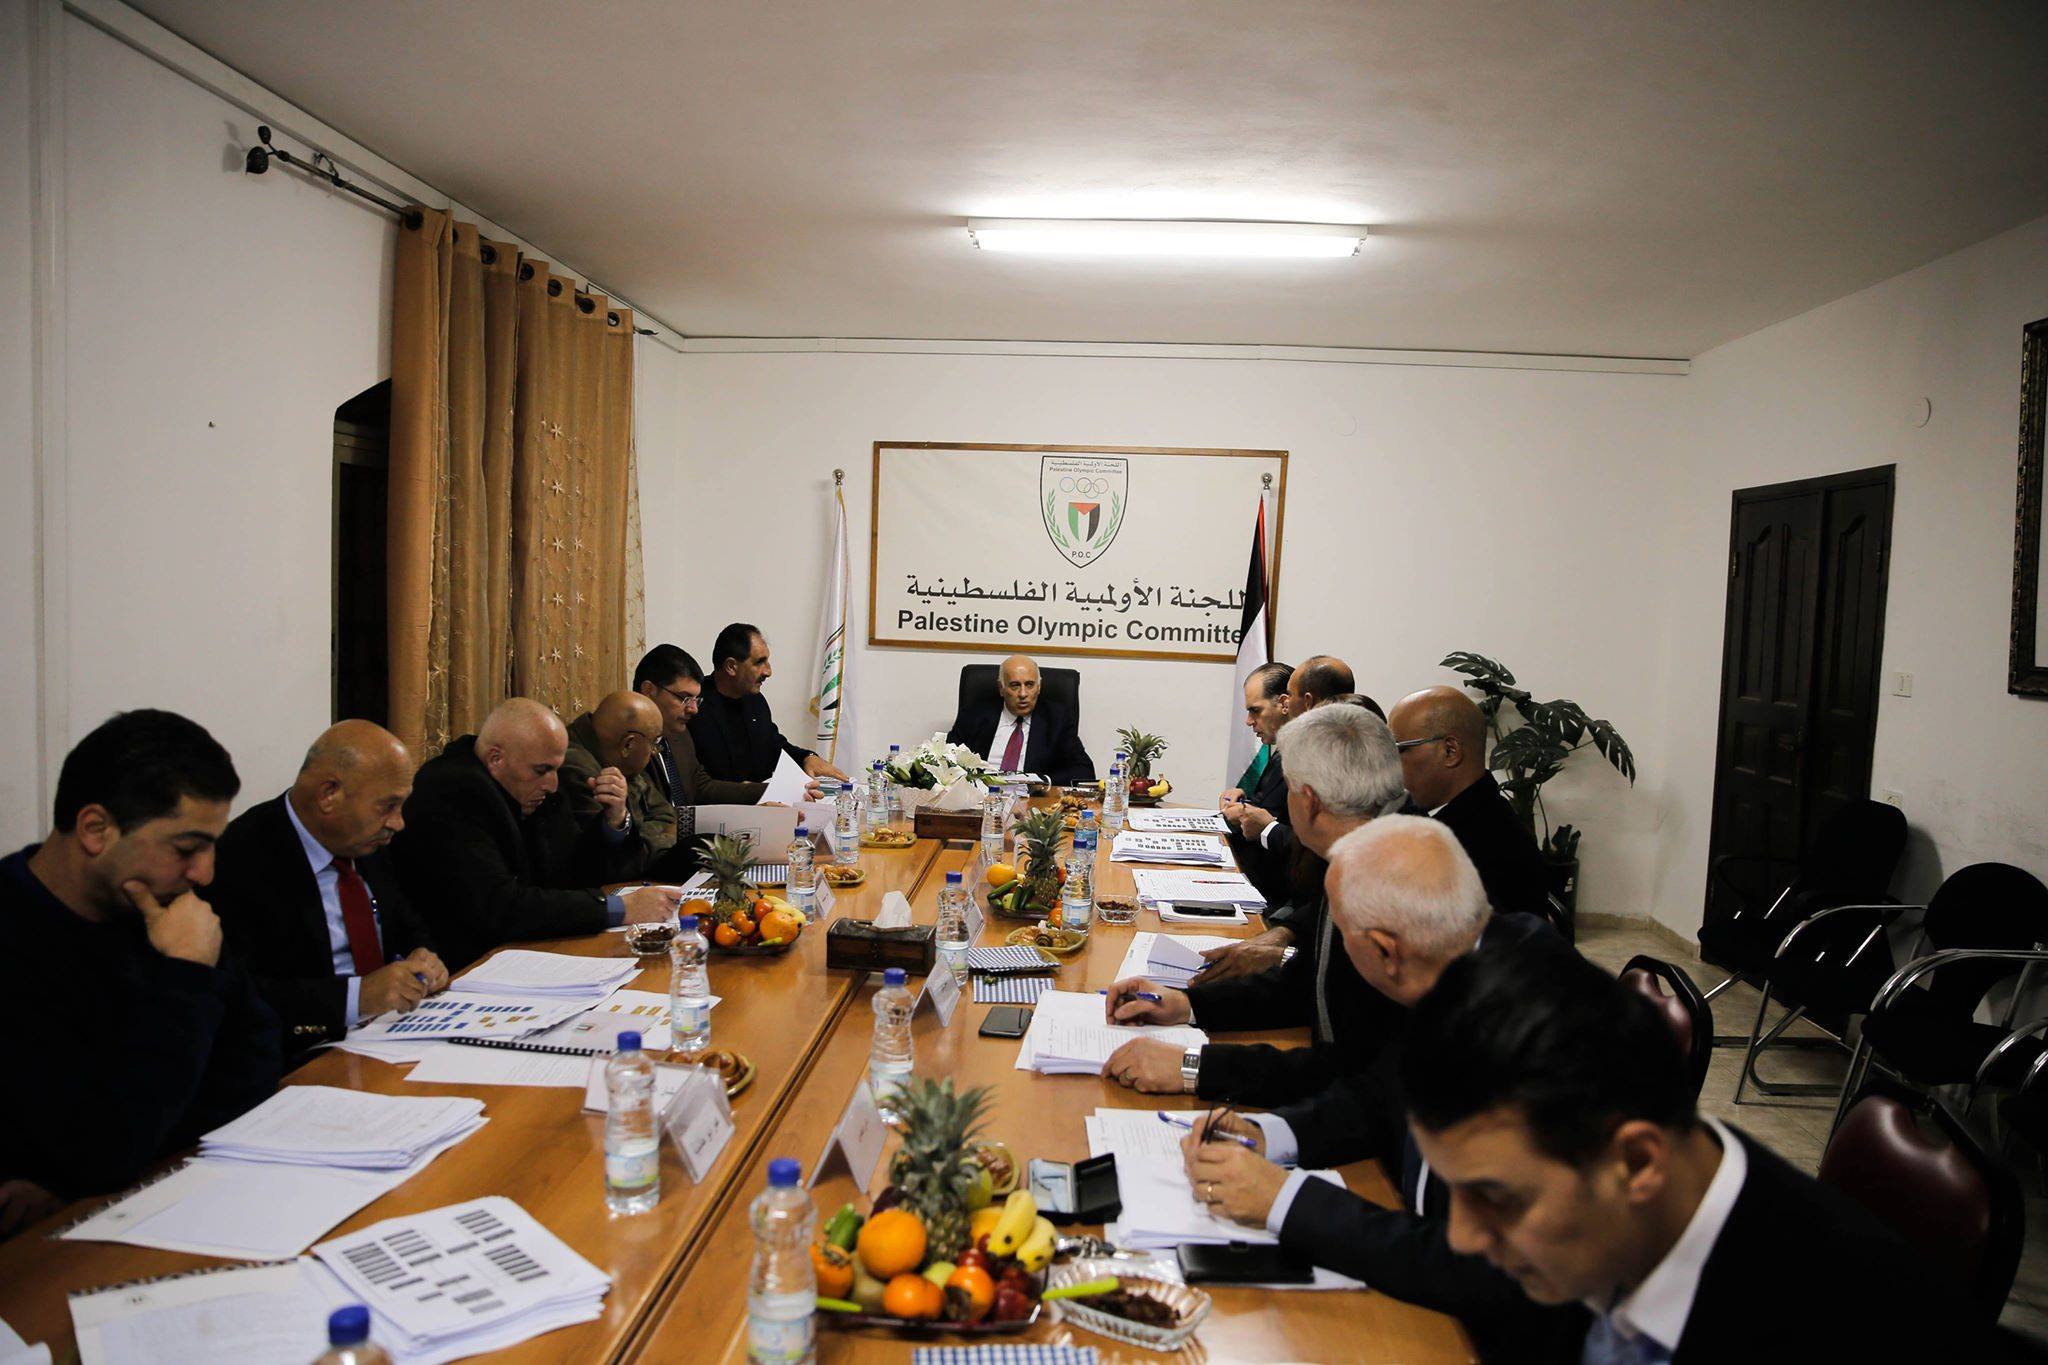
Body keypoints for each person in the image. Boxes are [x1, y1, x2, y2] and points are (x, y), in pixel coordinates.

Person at [1399, 942, 1985, 1361]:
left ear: (1638, 1163)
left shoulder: (1852, 1328)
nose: (1463, 1238)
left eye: (1493, 1197)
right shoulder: (1615, 1218)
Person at [1173, 816, 1570, 1361]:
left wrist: (1283, 1199)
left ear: (1384, 951)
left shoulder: (1534, 1035)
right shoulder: (1465, 956)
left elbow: (1487, 1269)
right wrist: (1269, 1134)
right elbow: (1381, 1093)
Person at [0, 710, 279, 1204]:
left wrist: (146, 1132)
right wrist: (185, 979)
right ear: (95, 829)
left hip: (171, 1194)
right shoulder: (13, 935)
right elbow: (100, 1150)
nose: (205, 874)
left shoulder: (161, 909)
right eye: (187, 849)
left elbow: (258, 1061)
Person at [1100, 704, 1407, 1105]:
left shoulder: (1387, 885)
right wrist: (1186, 1004)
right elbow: (1302, 986)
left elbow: (1357, 1071)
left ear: (1308, 801)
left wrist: (1195, 1067)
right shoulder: (1367, 849)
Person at [211, 721, 449, 1060]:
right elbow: (240, 995)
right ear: (328, 795)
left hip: (391, 1035)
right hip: (304, 1055)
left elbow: (406, 922)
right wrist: (356, 998)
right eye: (387, 806)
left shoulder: (366, 842)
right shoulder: (240, 859)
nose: (398, 822)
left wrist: (422, 955)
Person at [391, 698, 674, 970]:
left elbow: (571, 871)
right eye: (542, 770)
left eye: (555, 770)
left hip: (523, 953)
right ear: (495, 758)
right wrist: (620, 908)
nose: (552, 784)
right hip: (464, 964)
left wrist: (613, 822)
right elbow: (500, 908)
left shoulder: (532, 788)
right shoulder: (452, 790)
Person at [1389, 686, 1554, 923]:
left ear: (1450, 751)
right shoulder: (1474, 819)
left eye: (1398, 749)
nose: (1390, 765)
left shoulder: (1481, 848)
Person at [690, 622, 850, 785]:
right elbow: (696, 782)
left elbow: (772, 745)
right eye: (759, 662)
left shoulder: (754, 701)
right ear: (731, 667)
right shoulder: (693, 707)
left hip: (762, 799)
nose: (768, 671)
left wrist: (806, 758)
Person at [562, 690, 676, 865]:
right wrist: (667, 838)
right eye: (654, 742)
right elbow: (622, 859)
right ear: (628, 744)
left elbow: (667, 815)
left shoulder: (621, 758)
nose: (654, 752)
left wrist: (640, 835)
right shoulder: (577, 770)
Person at [946, 654, 1095, 786]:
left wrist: (1042, 782)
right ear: (1001, 688)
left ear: (1039, 687)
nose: (1023, 694)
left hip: (1033, 801)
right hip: (980, 797)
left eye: (1029, 685)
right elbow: (945, 760)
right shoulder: (974, 715)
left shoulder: (1057, 719)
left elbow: (1084, 771)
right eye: (1015, 685)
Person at [1215, 661, 1293, 905]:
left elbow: (1309, 847)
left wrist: (1264, 825)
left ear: (1284, 704)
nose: (1249, 721)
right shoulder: (1283, 750)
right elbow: (1269, 807)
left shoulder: (1307, 758)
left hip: (1274, 898)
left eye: (1255, 710)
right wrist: (1242, 803)